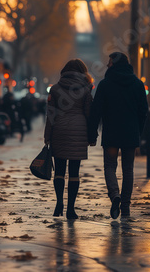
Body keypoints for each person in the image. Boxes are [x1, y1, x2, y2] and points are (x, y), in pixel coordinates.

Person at [88, 52, 148, 219]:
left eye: (109, 62)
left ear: (114, 64)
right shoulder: (137, 84)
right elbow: (143, 111)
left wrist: (92, 133)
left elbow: (96, 112)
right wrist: (139, 131)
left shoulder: (105, 84)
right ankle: (126, 207)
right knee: (128, 169)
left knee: (109, 167)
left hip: (111, 133)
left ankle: (115, 195)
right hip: (130, 133)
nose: (107, 65)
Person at [44, 59, 93, 219]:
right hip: (79, 131)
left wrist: (47, 136)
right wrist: (92, 135)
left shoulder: (55, 89)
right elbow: (89, 114)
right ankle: (71, 209)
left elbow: (50, 115)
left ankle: (59, 202)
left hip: (59, 130)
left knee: (59, 171)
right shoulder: (85, 89)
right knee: (74, 172)